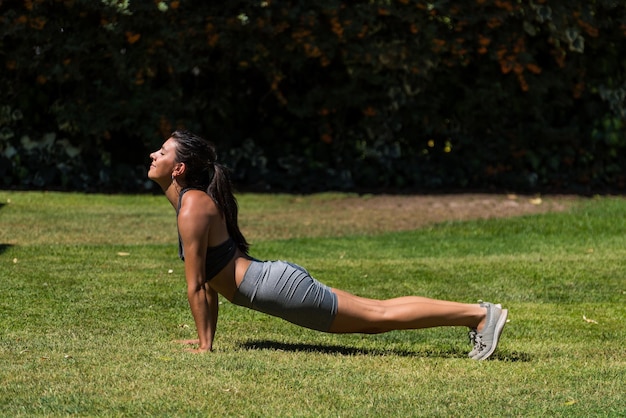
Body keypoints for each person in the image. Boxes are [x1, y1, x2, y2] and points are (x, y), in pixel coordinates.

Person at [148, 130, 508, 360]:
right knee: (375, 315)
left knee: (377, 317)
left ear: (178, 169)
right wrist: (204, 340)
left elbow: (196, 284)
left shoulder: (193, 207)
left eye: (162, 152)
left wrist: (205, 347)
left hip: (272, 288)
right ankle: (477, 314)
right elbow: (208, 282)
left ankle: (478, 316)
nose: (153, 155)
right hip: (271, 283)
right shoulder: (190, 203)